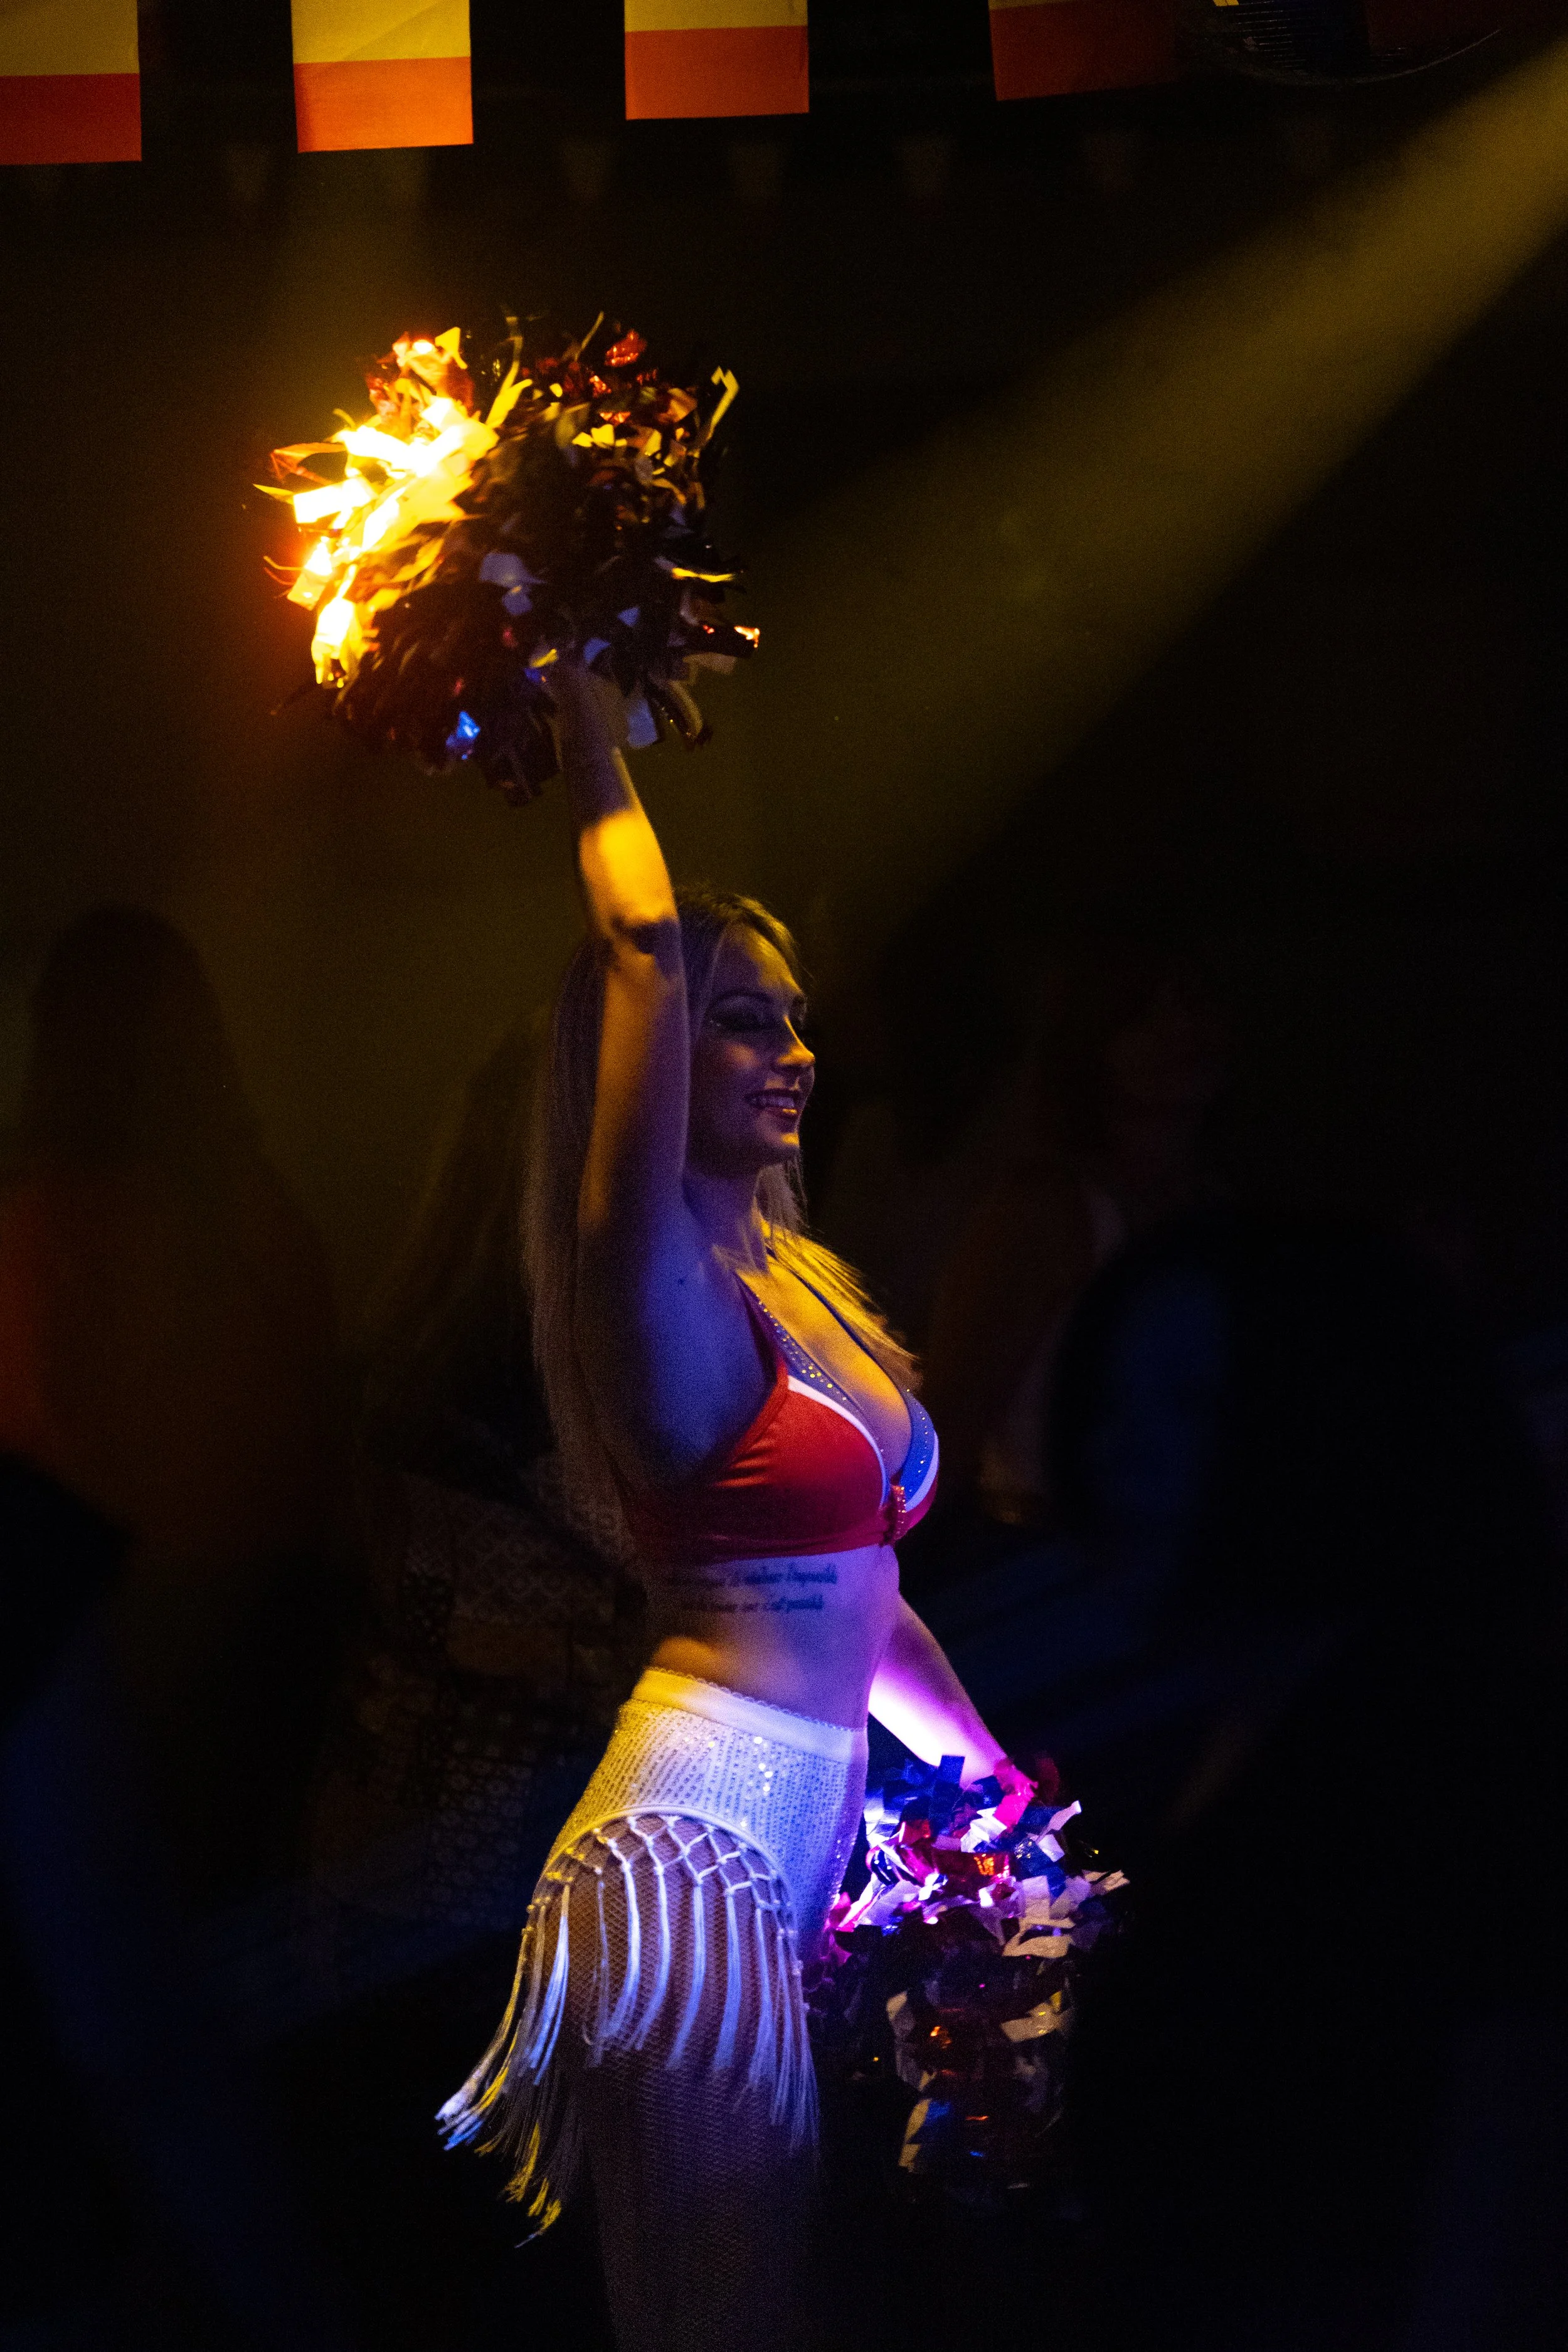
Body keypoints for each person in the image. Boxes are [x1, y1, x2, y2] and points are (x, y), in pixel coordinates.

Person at [439, 667, 1030, 2351]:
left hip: (797, 1844)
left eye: (793, 1013)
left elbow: (866, 1593)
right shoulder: (654, 1280)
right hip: (691, 1852)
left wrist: (996, 1809)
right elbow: (633, 946)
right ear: (649, 1060)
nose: (793, 1048)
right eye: (743, 1018)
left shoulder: (794, 1273)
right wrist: (583, 716)